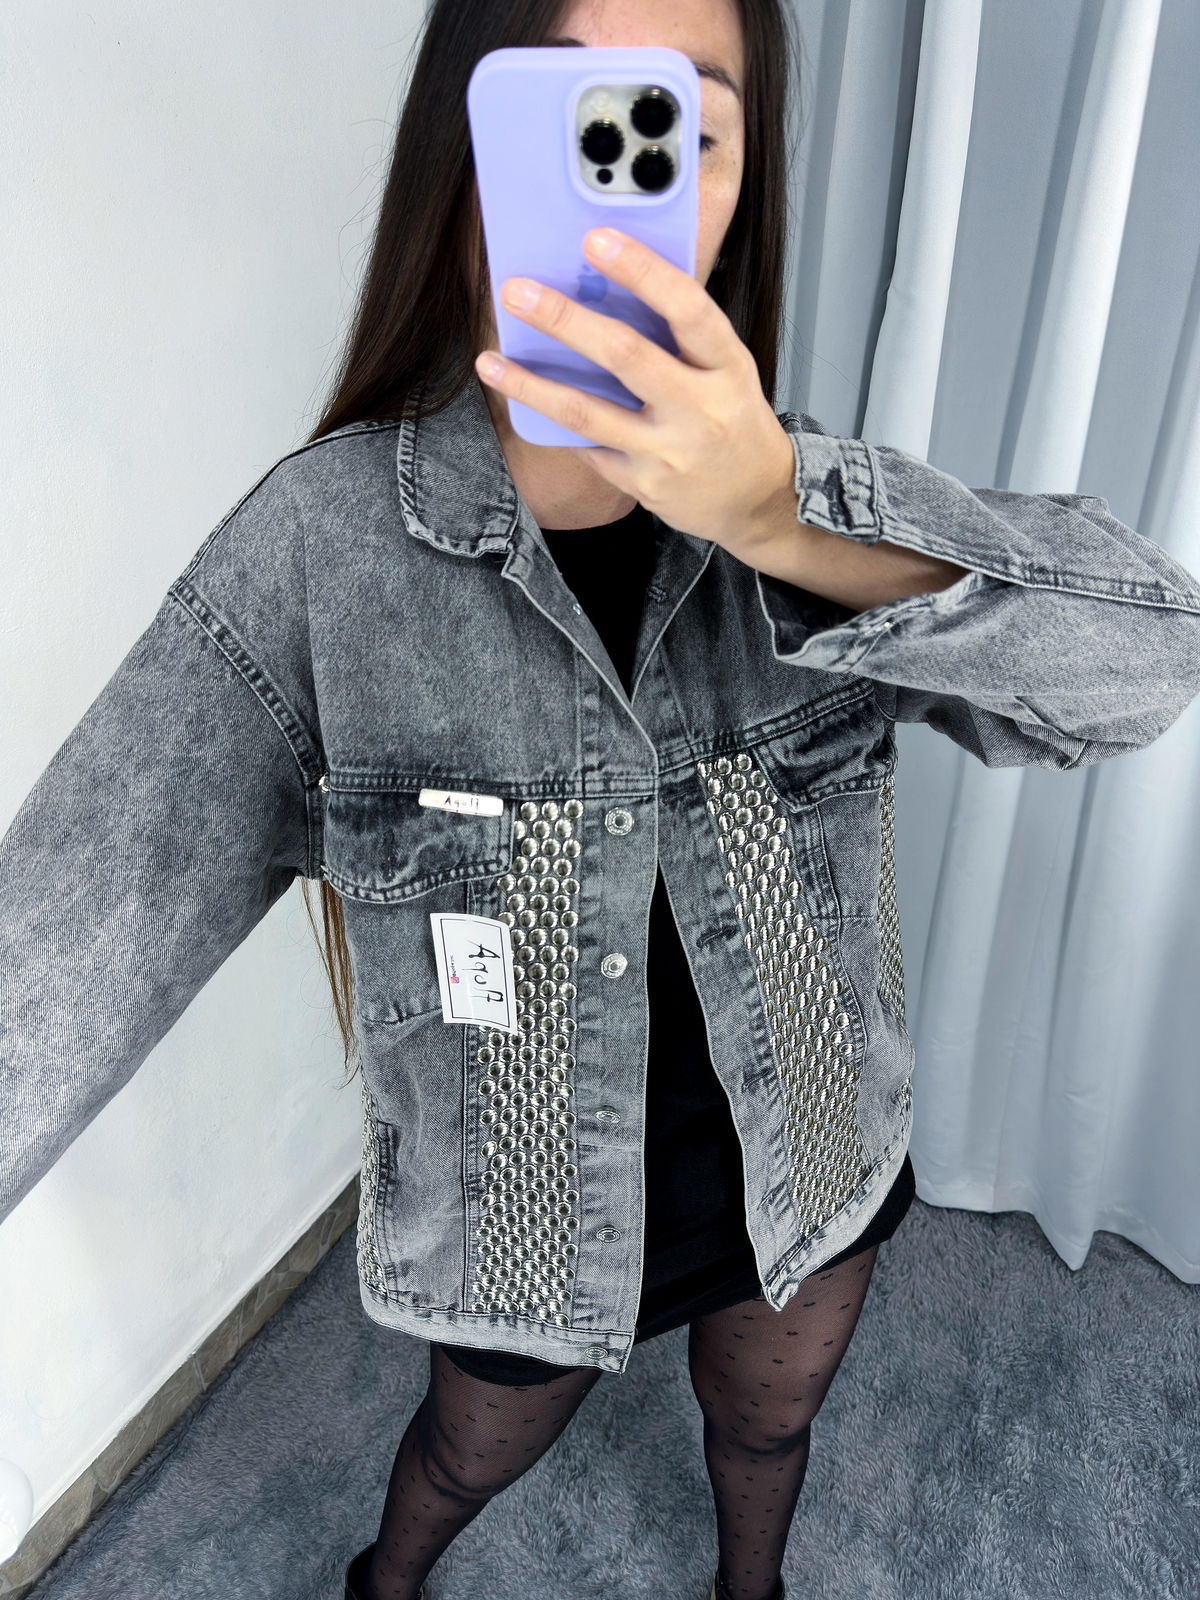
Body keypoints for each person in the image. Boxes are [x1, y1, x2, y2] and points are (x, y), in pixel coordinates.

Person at [5, 3, 1200, 1600]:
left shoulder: (825, 510)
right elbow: (54, 956)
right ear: (470, 151)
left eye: (675, 128)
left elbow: (1152, 663)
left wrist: (788, 521)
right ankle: (384, 1582)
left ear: (741, 183)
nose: (616, 179)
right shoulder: (320, 554)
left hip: (807, 1155)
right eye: (561, 118)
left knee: (768, 1432)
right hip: (523, 1215)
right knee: (462, 1457)